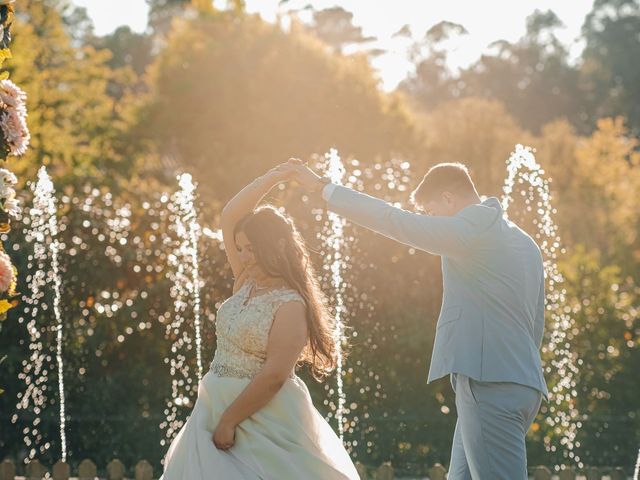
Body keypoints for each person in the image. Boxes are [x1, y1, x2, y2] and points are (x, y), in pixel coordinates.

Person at [288, 158, 548, 480]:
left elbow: (393, 220)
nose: (429, 220)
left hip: (487, 381)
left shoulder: (469, 230)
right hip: (523, 383)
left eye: (430, 211)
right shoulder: (525, 242)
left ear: (448, 199)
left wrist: (323, 188)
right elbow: (535, 323)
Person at [160, 164, 359, 480]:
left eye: (252, 249)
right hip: (212, 406)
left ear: (276, 246)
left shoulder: (291, 304)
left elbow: (275, 375)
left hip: (262, 415)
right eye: (241, 249)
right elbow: (230, 215)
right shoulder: (245, 280)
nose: (244, 256)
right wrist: (275, 177)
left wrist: (229, 420)